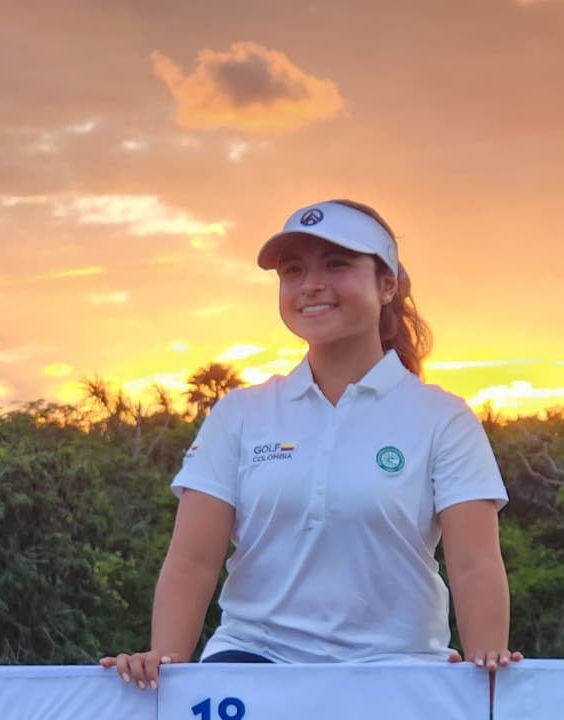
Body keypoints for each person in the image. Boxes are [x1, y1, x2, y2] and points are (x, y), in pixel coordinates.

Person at [100, 199, 521, 689]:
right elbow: (193, 560)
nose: (311, 285)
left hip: (399, 670)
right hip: (252, 662)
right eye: (293, 271)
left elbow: (475, 564)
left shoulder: (442, 417)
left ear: (388, 284)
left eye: (336, 264)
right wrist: (165, 666)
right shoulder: (241, 413)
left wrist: (484, 675)